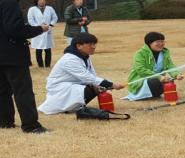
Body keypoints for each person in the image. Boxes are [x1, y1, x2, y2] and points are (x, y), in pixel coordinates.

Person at [38, 33, 124, 114]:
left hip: (72, 85)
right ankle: (68, 107)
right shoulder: (70, 59)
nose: (94, 47)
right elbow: (87, 77)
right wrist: (112, 84)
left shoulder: (84, 56)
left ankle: (75, 106)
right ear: (79, 46)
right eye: (90, 44)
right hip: (60, 87)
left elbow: (92, 75)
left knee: (99, 86)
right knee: (95, 87)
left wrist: (107, 84)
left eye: (94, 44)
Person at [0, 0, 49, 133]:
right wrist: (39, 29)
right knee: (23, 90)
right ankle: (31, 125)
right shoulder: (9, 2)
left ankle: (5, 121)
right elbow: (14, 28)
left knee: (3, 90)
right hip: (12, 54)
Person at [127, 32, 183, 101]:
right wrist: (159, 77)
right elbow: (140, 69)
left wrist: (176, 74)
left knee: (169, 81)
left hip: (158, 79)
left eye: (162, 41)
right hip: (141, 81)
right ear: (149, 43)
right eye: (157, 42)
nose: (161, 44)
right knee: (155, 81)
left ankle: (155, 94)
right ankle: (143, 95)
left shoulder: (164, 53)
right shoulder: (140, 53)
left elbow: (170, 66)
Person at [27, 0, 58, 68]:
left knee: (48, 49)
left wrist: (50, 25)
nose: (42, 1)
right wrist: (39, 27)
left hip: (48, 31)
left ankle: (47, 65)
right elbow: (30, 20)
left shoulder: (50, 8)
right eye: (40, 0)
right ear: (37, 1)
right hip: (37, 31)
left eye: (43, 0)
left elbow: (55, 18)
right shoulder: (32, 9)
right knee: (38, 49)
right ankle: (40, 65)